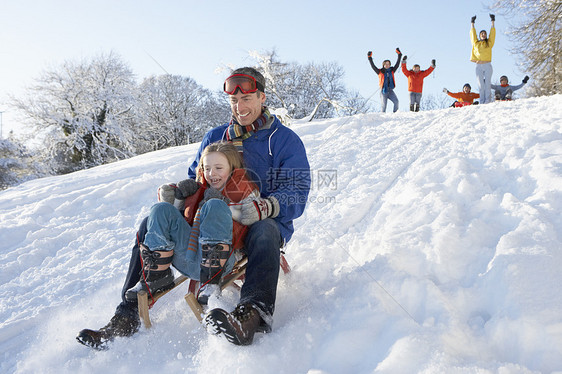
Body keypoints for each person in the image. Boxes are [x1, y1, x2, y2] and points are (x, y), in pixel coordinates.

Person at [77, 67, 311, 348]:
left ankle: (251, 316)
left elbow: (296, 192)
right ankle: (126, 315)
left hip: (258, 222)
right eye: (234, 101)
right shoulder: (214, 135)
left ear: (262, 97)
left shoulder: (284, 141)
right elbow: (196, 179)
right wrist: (178, 196)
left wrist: (268, 206)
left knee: (265, 232)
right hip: (213, 220)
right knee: (149, 223)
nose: (240, 107)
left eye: (247, 99)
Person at [470, 14, 496, 104]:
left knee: (487, 83)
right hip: (478, 65)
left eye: (485, 34)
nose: (484, 35)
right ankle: (482, 101)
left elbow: (492, 35)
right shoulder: (476, 44)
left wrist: (493, 21)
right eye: (482, 34)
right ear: (480, 35)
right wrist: (472, 23)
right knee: (481, 84)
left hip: (487, 64)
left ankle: (487, 101)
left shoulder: (489, 43)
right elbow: (473, 35)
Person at [368, 48, 403, 112]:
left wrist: (399, 55)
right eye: (385, 64)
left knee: (396, 101)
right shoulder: (380, 71)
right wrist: (370, 58)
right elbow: (373, 66)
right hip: (383, 90)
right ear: (383, 65)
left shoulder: (392, 71)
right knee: (384, 105)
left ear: (390, 65)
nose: (387, 65)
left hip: (390, 90)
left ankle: (395, 114)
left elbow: (397, 64)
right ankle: (382, 117)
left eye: (388, 64)